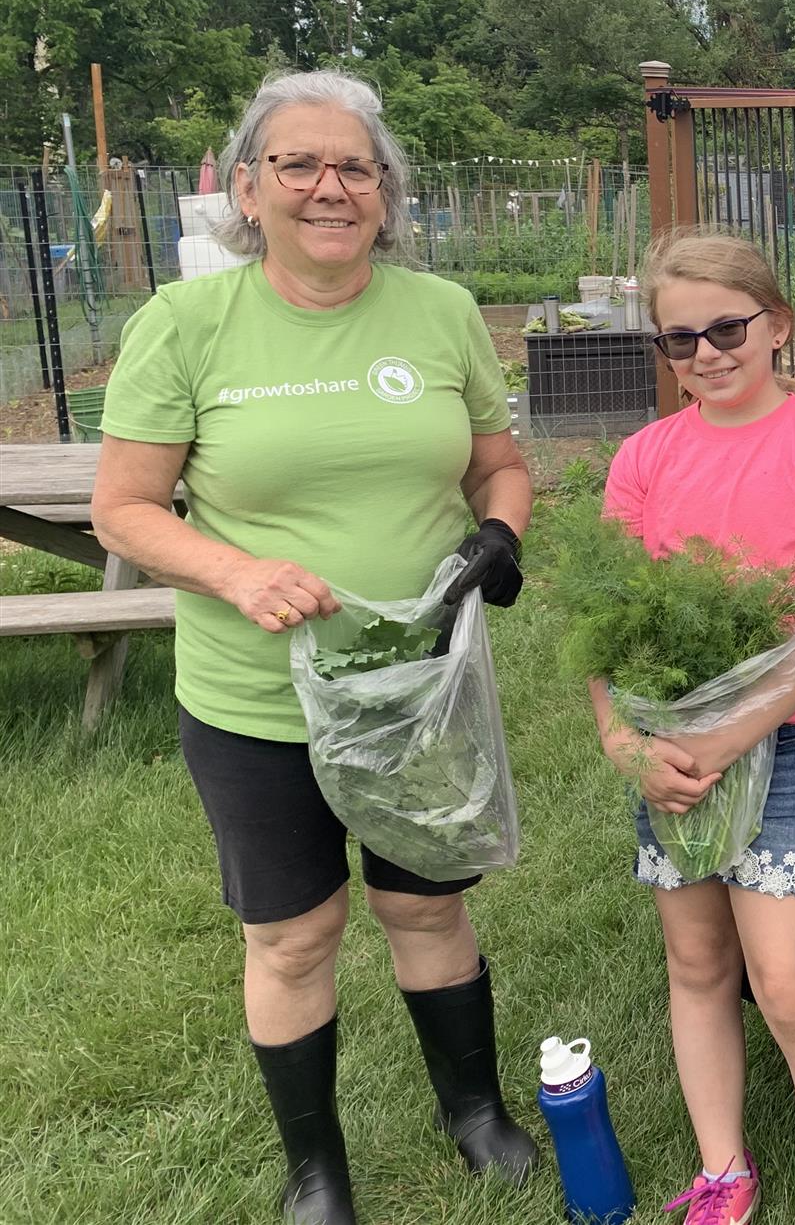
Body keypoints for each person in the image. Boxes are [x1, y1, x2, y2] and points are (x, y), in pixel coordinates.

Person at [91, 70, 538, 1225]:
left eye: (356, 167)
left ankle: (475, 1111)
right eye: (299, 164)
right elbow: (123, 510)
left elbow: (497, 463)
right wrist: (236, 572)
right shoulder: (185, 325)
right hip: (257, 699)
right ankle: (316, 1172)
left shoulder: (442, 313)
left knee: (427, 909)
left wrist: (500, 532)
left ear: (386, 193)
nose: (330, 188)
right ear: (250, 188)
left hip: (417, 692)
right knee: (293, 937)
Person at [589, 229, 795, 1225]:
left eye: (727, 329)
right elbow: (603, 619)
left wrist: (733, 736)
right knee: (696, 963)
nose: (706, 354)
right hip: (671, 745)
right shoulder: (643, 458)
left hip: (791, 740)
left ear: (776, 325)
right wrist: (621, 738)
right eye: (679, 340)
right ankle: (722, 1167)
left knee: (787, 981)